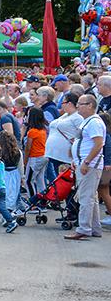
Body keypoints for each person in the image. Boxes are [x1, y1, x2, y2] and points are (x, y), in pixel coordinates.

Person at [65, 94, 105, 240]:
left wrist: (87, 161)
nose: (77, 106)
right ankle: (94, 228)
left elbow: (99, 143)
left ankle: (84, 228)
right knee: (90, 197)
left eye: (81, 104)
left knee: (85, 198)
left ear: (90, 105)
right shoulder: (88, 121)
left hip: (90, 165)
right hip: (85, 164)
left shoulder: (94, 122)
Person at [44, 93, 82, 183]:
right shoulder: (65, 115)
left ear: (69, 103)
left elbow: (80, 135)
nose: (61, 105)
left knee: (64, 180)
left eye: (63, 102)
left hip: (65, 155)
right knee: (58, 179)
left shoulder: (77, 117)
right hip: (55, 154)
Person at [24, 108, 48, 197]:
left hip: (35, 157)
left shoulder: (32, 132)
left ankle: (33, 203)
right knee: (40, 179)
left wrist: (25, 161)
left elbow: (28, 148)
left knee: (28, 180)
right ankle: (43, 201)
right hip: (43, 156)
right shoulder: (43, 130)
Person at [0, 131, 24, 213]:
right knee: (14, 192)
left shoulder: (0, 152)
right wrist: (22, 177)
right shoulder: (18, 152)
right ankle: (13, 209)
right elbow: (21, 165)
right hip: (15, 173)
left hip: (4, 174)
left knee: (5, 194)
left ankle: (6, 211)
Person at [97, 113, 111, 226]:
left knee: (103, 192)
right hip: (103, 166)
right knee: (102, 192)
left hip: (103, 167)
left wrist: (107, 163)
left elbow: (108, 150)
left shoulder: (105, 135)